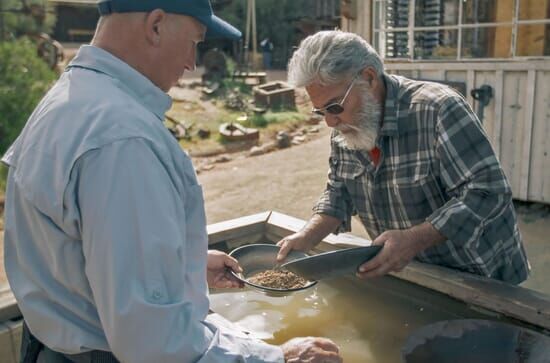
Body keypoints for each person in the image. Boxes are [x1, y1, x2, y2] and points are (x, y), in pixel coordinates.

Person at [1, 1, 342, 362]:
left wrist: (184, 267)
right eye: (195, 41)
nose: (191, 64)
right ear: (157, 25)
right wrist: (279, 359)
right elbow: (155, 342)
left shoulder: (71, 100)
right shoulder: (124, 139)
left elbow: (82, 254)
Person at [277, 30, 530, 284]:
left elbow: (488, 191)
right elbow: (339, 192)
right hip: (419, 276)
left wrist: (414, 239)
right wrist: (307, 236)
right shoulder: (345, 128)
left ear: (368, 78)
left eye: (334, 107)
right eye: (321, 112)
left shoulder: (438, 109)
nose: (331, 122)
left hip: (483, 276)